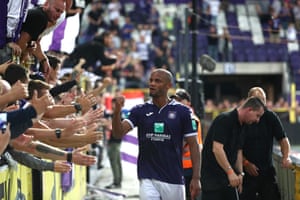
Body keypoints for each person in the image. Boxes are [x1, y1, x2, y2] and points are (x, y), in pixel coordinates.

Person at [112, 68, 201, 200]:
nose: (152, 83)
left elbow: (194, 145)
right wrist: (117, 111)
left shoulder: (182, 112)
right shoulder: (140, 110)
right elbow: (118, 133)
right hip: (147, 176)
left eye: (157, 81)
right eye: (151, 80)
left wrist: (196, 178)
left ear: (168, 86)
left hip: (173, 177)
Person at [200, 96, 265, 200]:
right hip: (213, 181)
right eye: (257, 116)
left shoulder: (243, 126)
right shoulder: (224, 120)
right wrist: (230, 172)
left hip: (228, 181)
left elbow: (239, 150)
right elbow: (217, 149)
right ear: (249, 110)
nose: (257, 120)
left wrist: (240, 174)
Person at [240, 87, 292, 200]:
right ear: (249, 101)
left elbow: (283, 139)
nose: (261, 103)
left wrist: (286, 157)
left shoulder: (270, 117)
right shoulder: (242, 119)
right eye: (258, 99)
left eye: (263, 100)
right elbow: (235, 148)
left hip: (267, 171)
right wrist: (246, 163)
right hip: (246, 173)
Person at [171, 88, 203, 200]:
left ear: (188, 102)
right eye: (175, 100)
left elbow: (182, 142)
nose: (177, 102)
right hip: (179, 166)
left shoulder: (191, 119)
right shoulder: (178, 118)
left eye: (180, 100)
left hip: (188, 167)